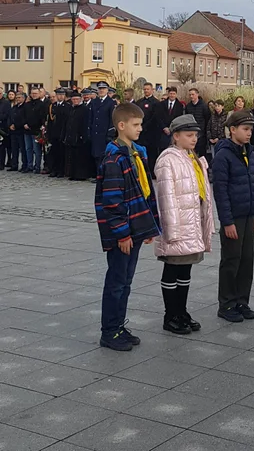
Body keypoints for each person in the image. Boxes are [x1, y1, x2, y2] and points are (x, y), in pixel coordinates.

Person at [95, 102, 160, 351]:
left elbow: (144, 193)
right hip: (121, 232)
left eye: (141, 124)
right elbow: (113, 201)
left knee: (126, 281)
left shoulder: (135, 152)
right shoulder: (114, 157)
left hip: (135, 227)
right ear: (121, 126)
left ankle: (119, 326)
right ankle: (109, 331)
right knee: (117, 281)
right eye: (136, 124)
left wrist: (147, 226)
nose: (140, 129)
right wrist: (122, 234)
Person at [154, 115, 214, 334]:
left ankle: (182, 310)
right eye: (189, 135)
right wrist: (171, 230)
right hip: (177, 226)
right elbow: (166, 198)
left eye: (196, 135)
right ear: (175, 136)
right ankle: (170, 314)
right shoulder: (167, 159)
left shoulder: (192, 157)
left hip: (192, 224)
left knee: (185, 270)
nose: (194, 139)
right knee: (172, 268)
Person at [213, 110, 254, 323]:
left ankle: (242, 300)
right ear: (232, 130)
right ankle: (227, 303)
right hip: (233, 217)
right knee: (231, 260)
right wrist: (227, 221)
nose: (249, 133)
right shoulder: (223, 155)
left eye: (251, 129)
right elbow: (220, 192)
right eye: (245, 129)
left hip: (248, 213)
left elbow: (253, 185)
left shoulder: (249, 153)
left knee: (246, 260)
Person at [88, 80, 116, 178]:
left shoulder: (110, 102)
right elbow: (91, 117)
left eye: (103, 89)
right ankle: (98, 174)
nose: (101, 91)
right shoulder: (94, 102)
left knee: (104, 155)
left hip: (104, 133)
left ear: (107, 90)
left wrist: (110, 132)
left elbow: (112, 119)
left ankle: (104, 175)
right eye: (100, 89)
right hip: (95, 132)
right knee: (96, 155)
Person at [63, 91, 91, 181]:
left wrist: (83, 135)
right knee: (72, 156)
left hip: (80, 136)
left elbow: (86, 123)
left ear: (80, 99)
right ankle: (73, 174)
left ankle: (81, 175)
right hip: (71, 136)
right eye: (73, 99)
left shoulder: (85, 109)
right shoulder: (71, 109)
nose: (75, 101)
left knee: (81, 157)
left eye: (77, 99)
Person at [136, 83, 161, 173]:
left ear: (152, 90)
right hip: (140, 132)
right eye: (145, 89)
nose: (146, 91)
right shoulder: (139, 102)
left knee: (151, 152)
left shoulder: (156, 103)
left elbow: (155, 117)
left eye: (148, 89)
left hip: (151, 132)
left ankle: (151, 171)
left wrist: (145, 126)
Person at [23, 86, 47, 174]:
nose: (34, 95)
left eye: (36, 93)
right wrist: (24, 123)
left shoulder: (42, 104)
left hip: (37, 131)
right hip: (27, 130)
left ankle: (37, 166)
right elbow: (24, 115)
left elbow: (42, 118)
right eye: (32, 93)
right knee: (28, 149)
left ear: (39, 94)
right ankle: (29, 166)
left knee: (37, 150)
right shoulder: (27, 104)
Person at [47, 88, 69, 178]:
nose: (60, 96)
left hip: (62, 133)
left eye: (62, 95)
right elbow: (50, 121)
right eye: (59, 95)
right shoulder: (53, 106)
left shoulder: (67, 106)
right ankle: (54, 170)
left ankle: (61, 171)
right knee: (54, 153)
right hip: (54, 133)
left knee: (61, 154)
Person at [157, 86, 185, 151]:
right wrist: (164, 127)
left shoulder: (180, 106)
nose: (172, 95)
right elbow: (158, 117)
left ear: (176, 94)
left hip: (174, 131)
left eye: (173, 94)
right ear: (168, 94)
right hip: (163, 131)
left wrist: (171, 128)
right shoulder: (161, 104)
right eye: (171, 93)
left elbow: (179, 119)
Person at [185, 88, 211, 159]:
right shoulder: (188, 106)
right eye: (190, 95)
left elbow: (207, 118)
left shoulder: (204, 106)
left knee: (202, 154)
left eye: (193, 94)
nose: (191, 96)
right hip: (191, 132)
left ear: (197, 94)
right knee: (191, 154)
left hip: (201, 134)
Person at [8, 92, 28, 172]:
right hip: (13, 131)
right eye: (17, 98)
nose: (17, 99)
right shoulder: (14, 107)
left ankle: (24, 165)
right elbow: (10, 117)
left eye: (19, 97)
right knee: (14, 149)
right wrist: (10, 124)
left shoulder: (25, 107)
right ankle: (14, 165)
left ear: (23, 98)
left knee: (23, 149)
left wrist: (16, 125)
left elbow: (24, 119)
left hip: (21, 131)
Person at [0, 90, 15, 170]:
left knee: (3, 147)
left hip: (3, 127)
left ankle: (2, 163)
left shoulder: (6, 103)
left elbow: (7, 114)